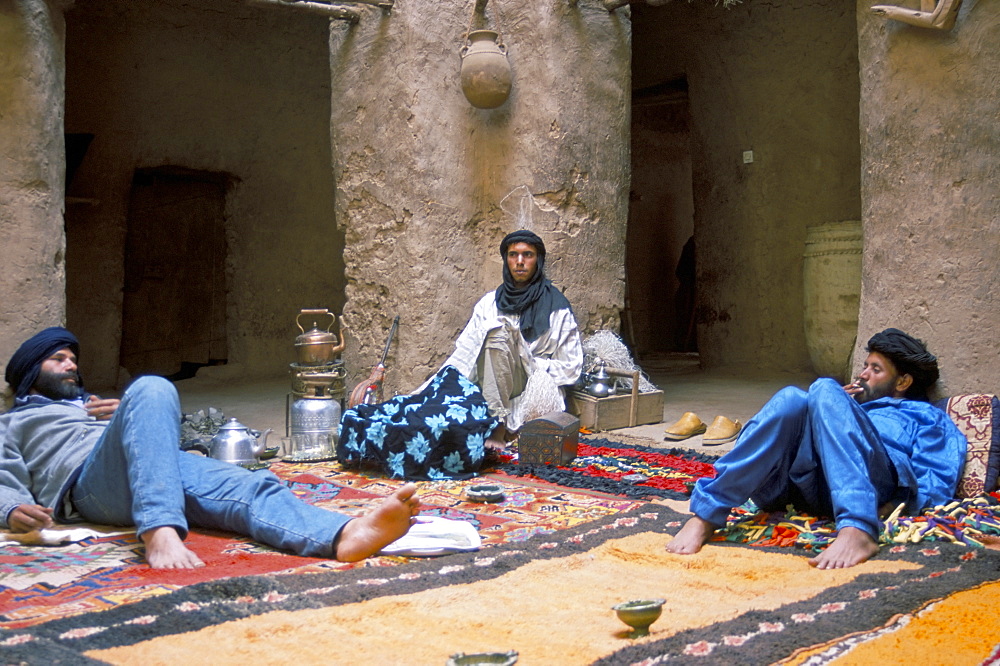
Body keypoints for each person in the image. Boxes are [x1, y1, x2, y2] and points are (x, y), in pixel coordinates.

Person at [0, 327, 421, 569]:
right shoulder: (14, 420)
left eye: (73, 358)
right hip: (92, 487)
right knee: (151, 386)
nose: (71, 364)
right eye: (58, 359)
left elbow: (157, 441)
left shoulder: (99, 408)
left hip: (155, 471)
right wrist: (11, 508)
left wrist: (123, 417)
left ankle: (342, 535)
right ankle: (160, 531)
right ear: (29, 375)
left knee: (251, 486)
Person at [665, 328, 967, 569]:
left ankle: (858, 529)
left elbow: (938, 475)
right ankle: (706, 515)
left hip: (872, 487)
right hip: (801, 486)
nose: (863, 374)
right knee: (792, 398)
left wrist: (889, 508)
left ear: (903, 381)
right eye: (865, 366)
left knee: (823, 386)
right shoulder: (848, 402)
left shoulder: (926, 416)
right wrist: (832, 405)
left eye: (876, 370)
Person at [434, 230, 583, 447]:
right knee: (496, 334)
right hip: (488, 380)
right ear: (506, 260)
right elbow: (467, 350)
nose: (520, 262)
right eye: (513, 255)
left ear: (538, 260)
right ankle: (494, 418)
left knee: (499, 335)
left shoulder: (557, 308)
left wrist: (527, 361)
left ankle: (498, 427)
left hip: (531, 382)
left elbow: (572, 368)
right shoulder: (489, 303)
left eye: (528, 255)